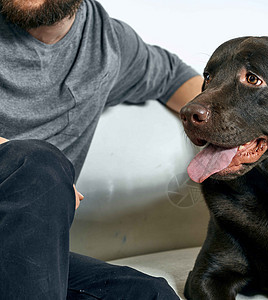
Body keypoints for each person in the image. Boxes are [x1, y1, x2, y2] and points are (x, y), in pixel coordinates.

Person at [0, 0, 203, 298]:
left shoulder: (104, 44)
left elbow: (175, 78)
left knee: (149, 294)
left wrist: (242, 131)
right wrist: (41, 177)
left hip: (21, 253)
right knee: (38, 168)